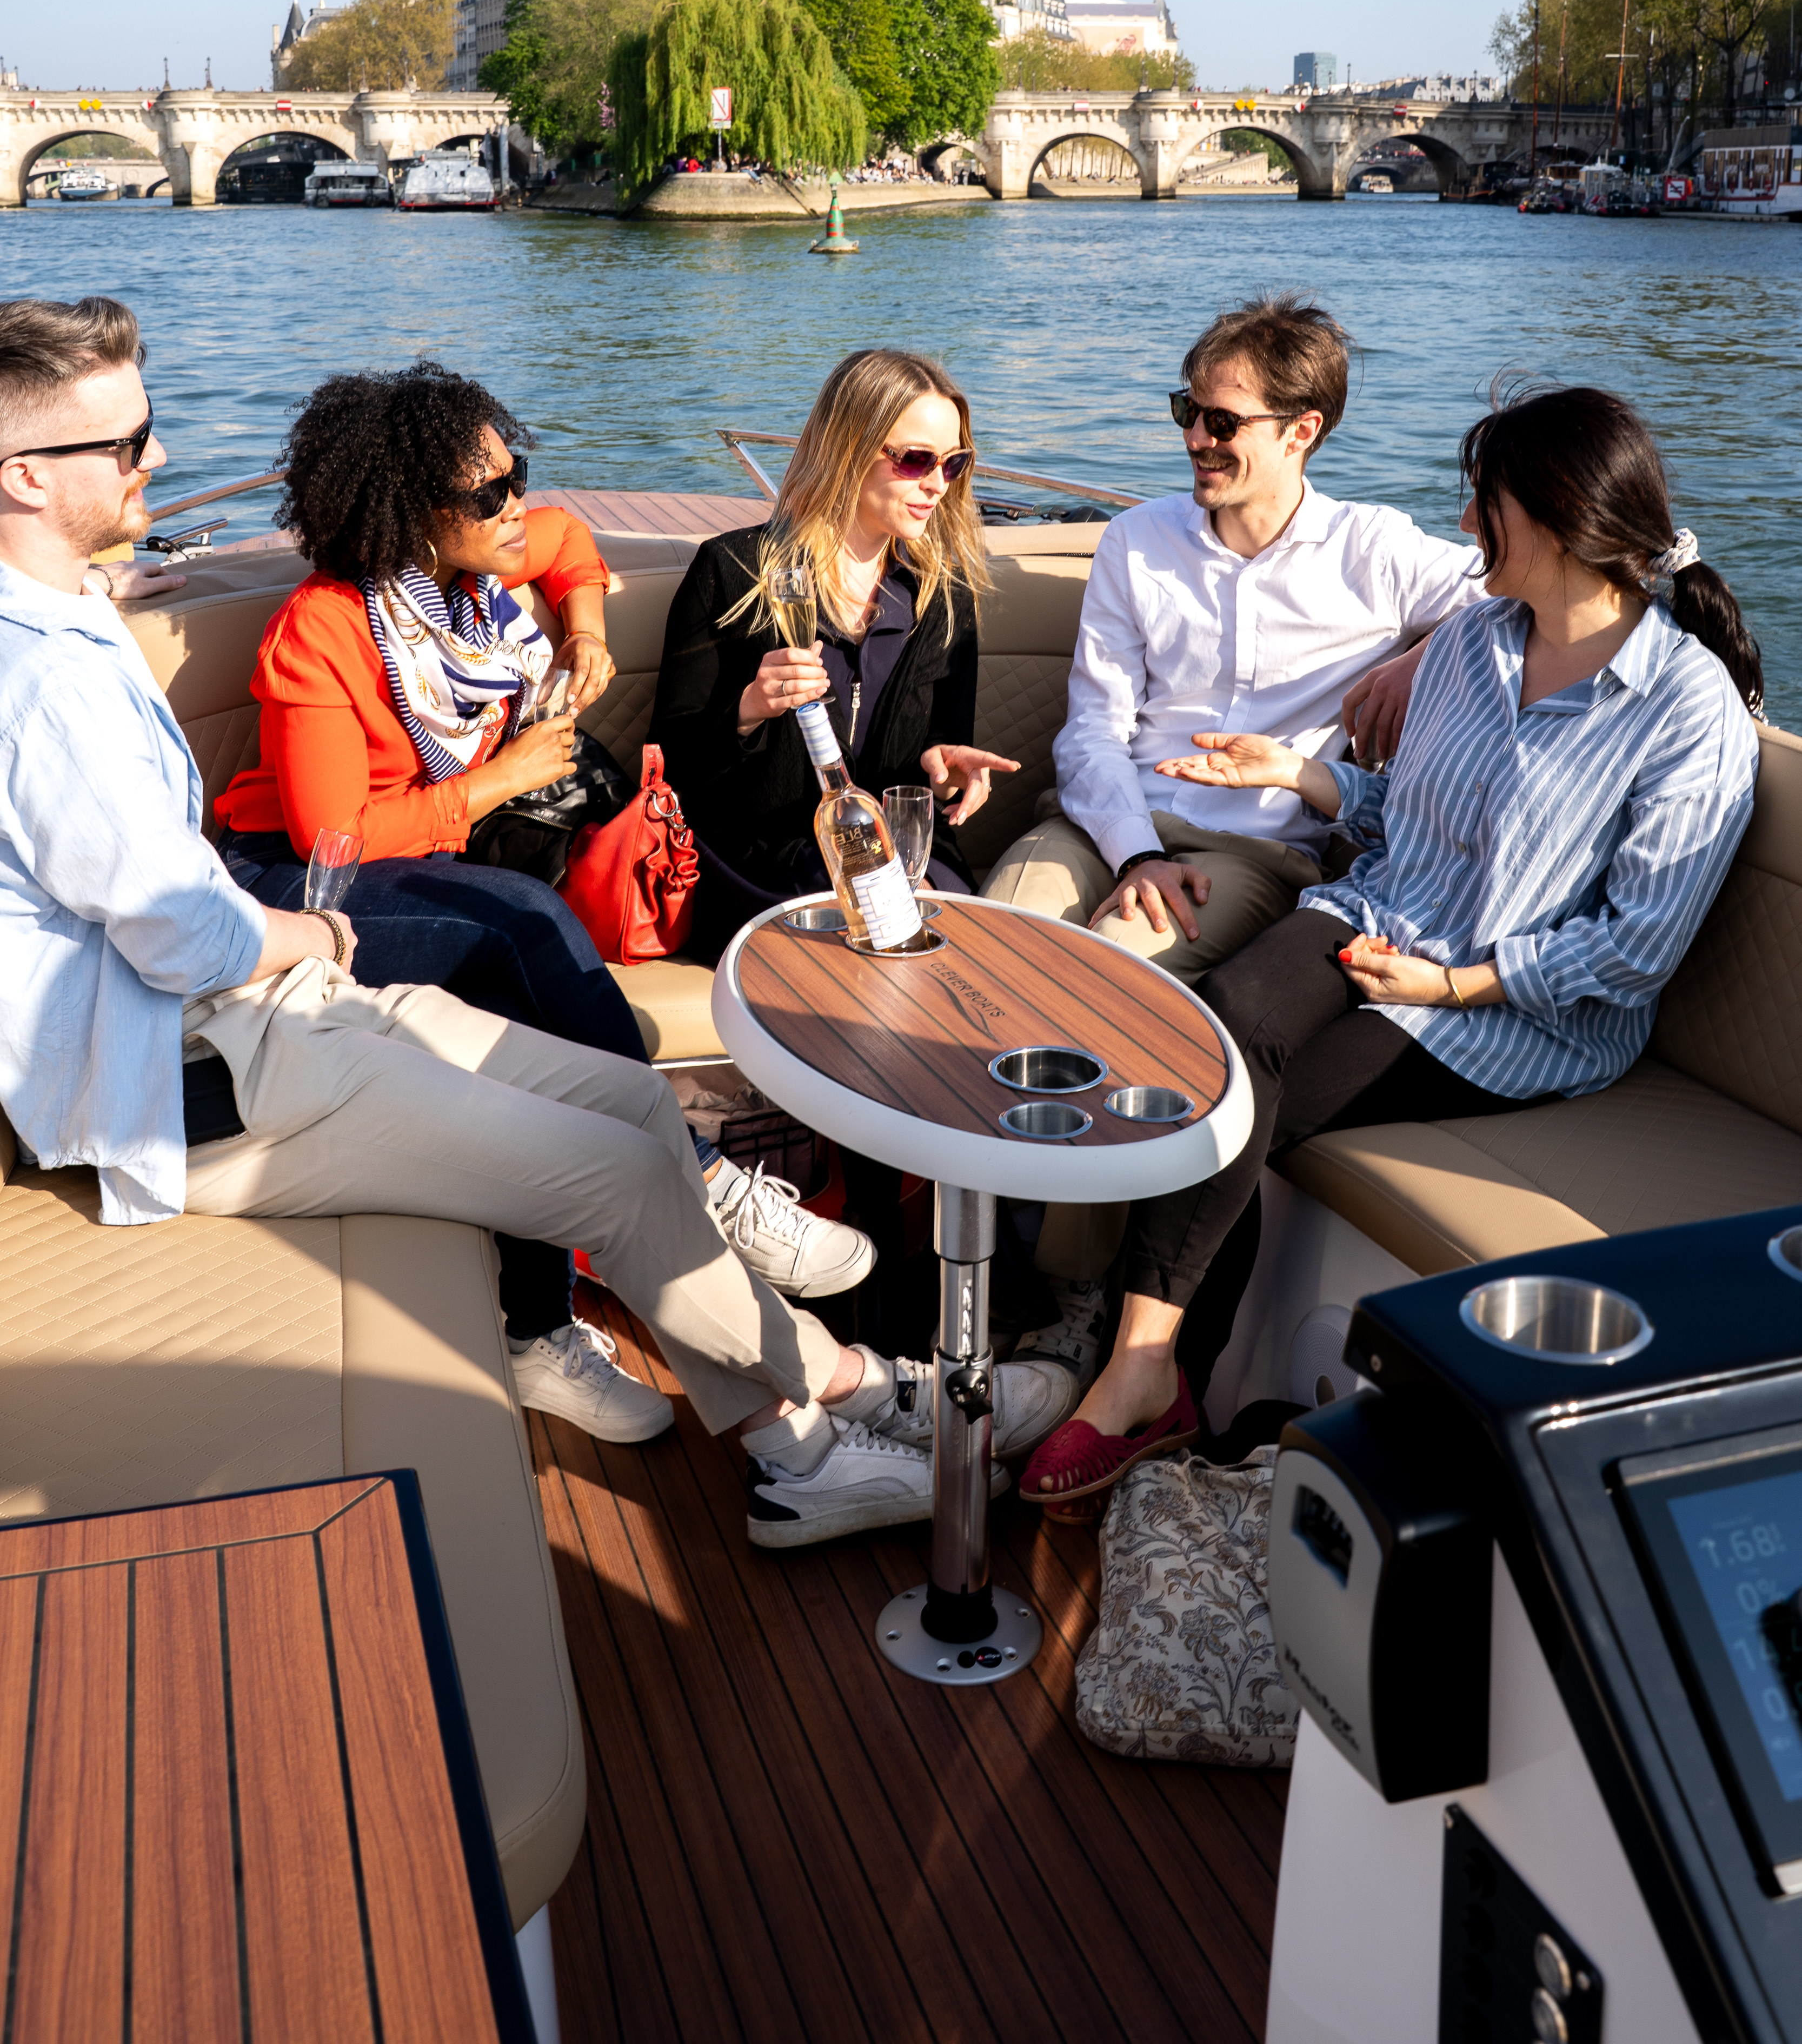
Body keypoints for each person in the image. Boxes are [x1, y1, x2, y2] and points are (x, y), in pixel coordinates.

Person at [0, 294, 1075, 1548]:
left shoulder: (70, 607)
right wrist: (307, 934)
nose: (161, 460)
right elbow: (186, 932)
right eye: (129, 447)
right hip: (184, 1080)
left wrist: (575, 622)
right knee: (604, 1123)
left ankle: (813, 1404)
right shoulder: (45, 681)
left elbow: (559, 541)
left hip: (250, 1021)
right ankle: (828, 1421)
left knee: (630, 1109)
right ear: (26, 475)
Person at [1021, 383, 1764, 1511]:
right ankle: (1147, 1377)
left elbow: (1632, 951)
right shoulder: (1473, 638)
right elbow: (1404, 825)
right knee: (1222, 1027)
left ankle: (1133, 1374)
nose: (1466, 528)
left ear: (1559, 516)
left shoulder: (1684, 709)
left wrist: (1452, 981)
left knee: (1255, 1089)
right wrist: (1301, 775)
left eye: (1484, 504)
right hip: (1381, 916)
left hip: (1514, 1010)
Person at [209, 357, 872, 1439]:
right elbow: (340, 834)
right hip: (297, 883)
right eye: (487, 496)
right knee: (520, 929)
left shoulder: (480, 579)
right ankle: (683, 1192)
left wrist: (589, 628)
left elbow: (567, 544)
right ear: (408, 517)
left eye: (517, 473)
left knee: (514, 936)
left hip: (432, 849)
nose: (516, 504)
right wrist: (498, 781)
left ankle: (542, 1319)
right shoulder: (324, 632)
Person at [982, 293, 1488, 984]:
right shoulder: (1135, 541)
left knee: (1103, 972)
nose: (1195, 438)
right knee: (994, 945)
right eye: (1186, 411)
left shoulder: (1375, 551)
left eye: (1222, 421)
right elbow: (1093, 729)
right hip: (1102, 826)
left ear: (1300, 430)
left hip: (1253, 852)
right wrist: (1135, 853)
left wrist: (1423, 652)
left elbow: (1532, 586)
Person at [651, 346, 1020, 952]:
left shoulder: (943, 599)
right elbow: (674, 766)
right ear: (849, 450)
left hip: (896, 860)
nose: (937, 484)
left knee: (964, 940)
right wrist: (747, 710)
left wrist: (947, 775)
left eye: (953, 463)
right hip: (761, 858)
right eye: (916, 459)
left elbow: (930, 767)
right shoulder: (733, 571)